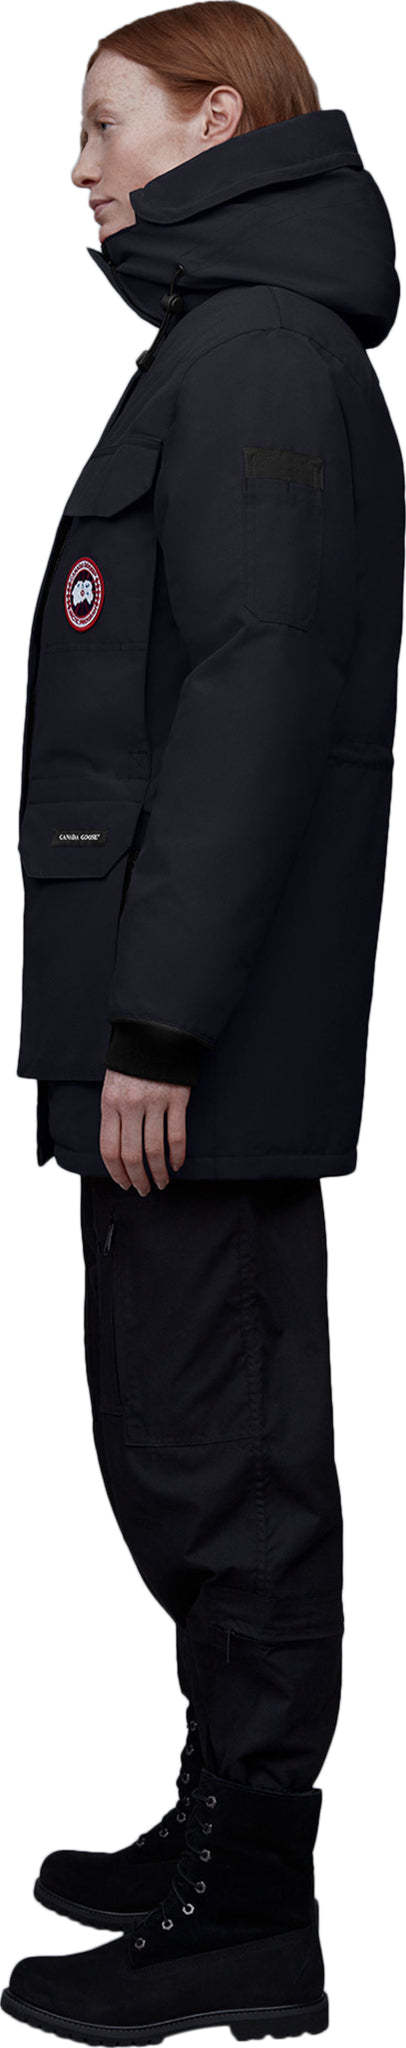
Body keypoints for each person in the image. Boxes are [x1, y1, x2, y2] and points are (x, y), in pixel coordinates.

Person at [2, 4, 404, 2041]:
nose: (78, 169)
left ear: (214, 120)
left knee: (218, 1454)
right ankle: (215, 1828)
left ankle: (250, 1905)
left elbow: (250, 705)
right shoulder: (234, 345)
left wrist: (154, 1022)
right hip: (167, 1026)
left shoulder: (252, 357)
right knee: (184, 1436)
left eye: (105, 125)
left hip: (192, 1039)